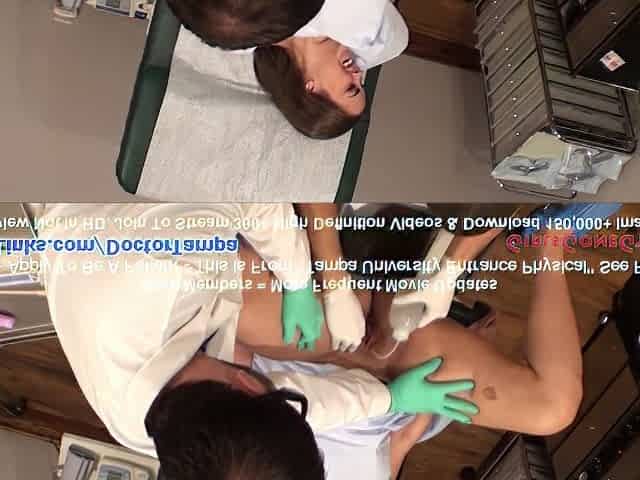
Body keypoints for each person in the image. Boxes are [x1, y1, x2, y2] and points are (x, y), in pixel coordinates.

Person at [33, 203, 477, 462]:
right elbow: (276, 418)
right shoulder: (177, 438)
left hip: (106, 191)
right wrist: (389, 400)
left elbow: (244, 189)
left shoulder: (162, 276)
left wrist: (307, 280)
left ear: (245, 383)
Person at [150, 230, 583, 479]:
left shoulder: (193, 425)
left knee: (229, 288)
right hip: (395, 397)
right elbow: (392, 450)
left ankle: (457, 244)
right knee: (552, 408)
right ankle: (552, 238)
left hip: (299, 354)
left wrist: (322, 290)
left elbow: (233, 353)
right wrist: (413, 402)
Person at [253, 0, 409, 139]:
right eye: (361, 83)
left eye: (351, 88)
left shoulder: (258, 22)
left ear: (311, 89)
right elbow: (397, 41)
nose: (359, 73)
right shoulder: (355, 25)